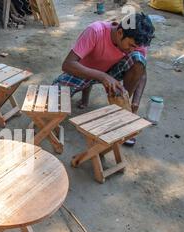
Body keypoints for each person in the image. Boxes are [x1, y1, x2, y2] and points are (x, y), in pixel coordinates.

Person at [54, 13, 155, 146]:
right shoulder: (95, 31)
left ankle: (122, 112)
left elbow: (141, 72)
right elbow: (67, 65)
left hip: (113, 70)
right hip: (85, 69)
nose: (132, 49)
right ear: (119, 32)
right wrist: (102, 76)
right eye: (130, 45)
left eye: (135, 47)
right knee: (53, 97)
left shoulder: (137, 41)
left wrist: (135, 101)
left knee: (138, 60)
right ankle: (85, 96)